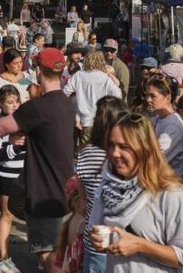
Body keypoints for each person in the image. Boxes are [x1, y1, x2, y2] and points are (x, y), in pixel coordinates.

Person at [0, 48, 76, 273]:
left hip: (43, 193)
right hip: (67, 189)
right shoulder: (67, 104)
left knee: (47, 255)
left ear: (39, 71)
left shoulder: (36, 108)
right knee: (61, 254)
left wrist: (17, 133)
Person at [86, 111, 183, 273]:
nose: (114, 153)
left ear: (144, 148)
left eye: (124, 147)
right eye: (111, 145)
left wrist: (140, 245)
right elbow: (97, 231)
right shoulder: (109, 188)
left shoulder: (170, 193)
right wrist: (98, 239)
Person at [75, 96, 128, 273]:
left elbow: (83, 199)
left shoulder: (85, 152)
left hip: (94, 237)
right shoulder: (123, 157)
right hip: (120, 241)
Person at [0, 85, 28, 273]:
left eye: (17, 101)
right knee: (7, 215)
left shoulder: (24, 121)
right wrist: (12, 148)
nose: (14, 105)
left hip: (27, 174)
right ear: (1, 103)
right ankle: (2, 259)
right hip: (8, 176)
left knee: (33, 216)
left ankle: (42, 257)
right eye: (10, 102)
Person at [64, 50, 123, 146]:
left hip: (85, 121)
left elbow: (65, 93)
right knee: (101, 151)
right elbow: (118, 95)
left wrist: (73, 111)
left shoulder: (78, 75)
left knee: (85, 151)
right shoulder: (104, 77)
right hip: (101, 120)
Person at [145, 74, 183, 178]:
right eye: (147, 95)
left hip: (171, 183)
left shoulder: (173, 126)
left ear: (168, 98)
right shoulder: (156, 119)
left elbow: (154, 160)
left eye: (153, 96)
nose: (148, 100)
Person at [0, 49, 31, 122]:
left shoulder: (27, 77)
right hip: (9, 120)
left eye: (21, 62)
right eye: (15, 63)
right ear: (7, 65)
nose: (19, 65)